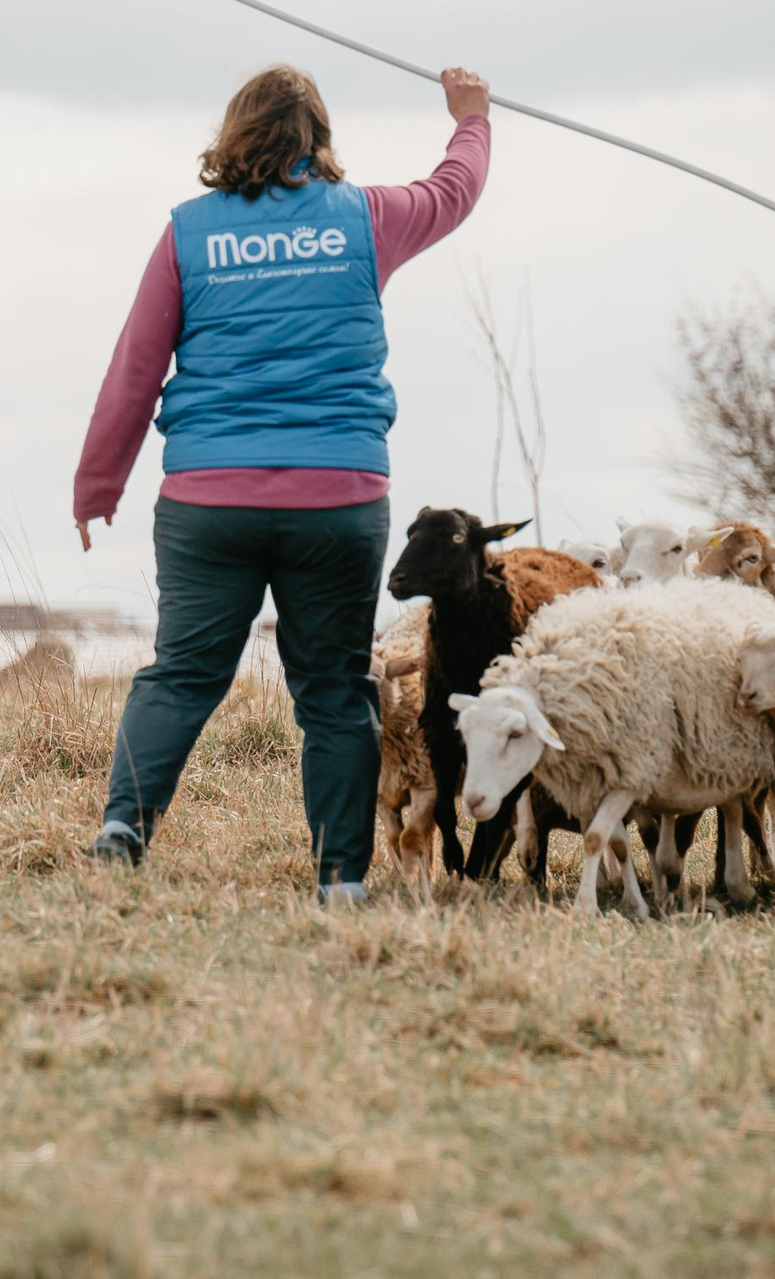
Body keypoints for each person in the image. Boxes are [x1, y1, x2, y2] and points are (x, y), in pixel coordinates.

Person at [73, 61, 493, 902]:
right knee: (335, 690)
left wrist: (99, 482)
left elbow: (134, 369)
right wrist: (471, 117)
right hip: (338, 500)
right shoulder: (366, 219)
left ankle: (124, 829)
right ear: (320, 142)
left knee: (181, 675)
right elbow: (454, 190)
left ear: (234, 138)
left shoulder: (190, 234)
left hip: (207, 502)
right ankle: (340, 880)